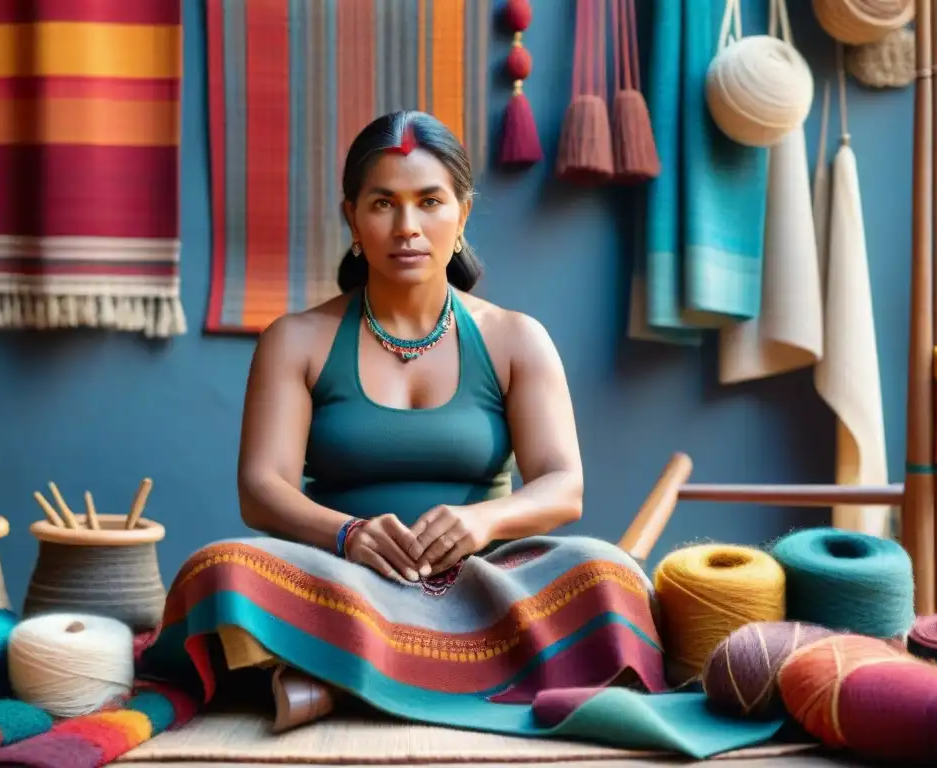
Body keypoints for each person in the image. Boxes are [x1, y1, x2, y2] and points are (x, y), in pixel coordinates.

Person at [140, 111, 667, 735]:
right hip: (337, 582)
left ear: (463, 214)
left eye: (430, 202)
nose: (408, 227)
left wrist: (482, 521)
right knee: (219, 568)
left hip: (484, 586)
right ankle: (461, 676)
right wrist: (347, 536)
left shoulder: (515, 338)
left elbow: (563, 486)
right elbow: (262, 489)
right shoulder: (297, 339)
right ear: (352, 218)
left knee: (608, 573)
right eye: (384, 203)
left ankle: (332, 677)